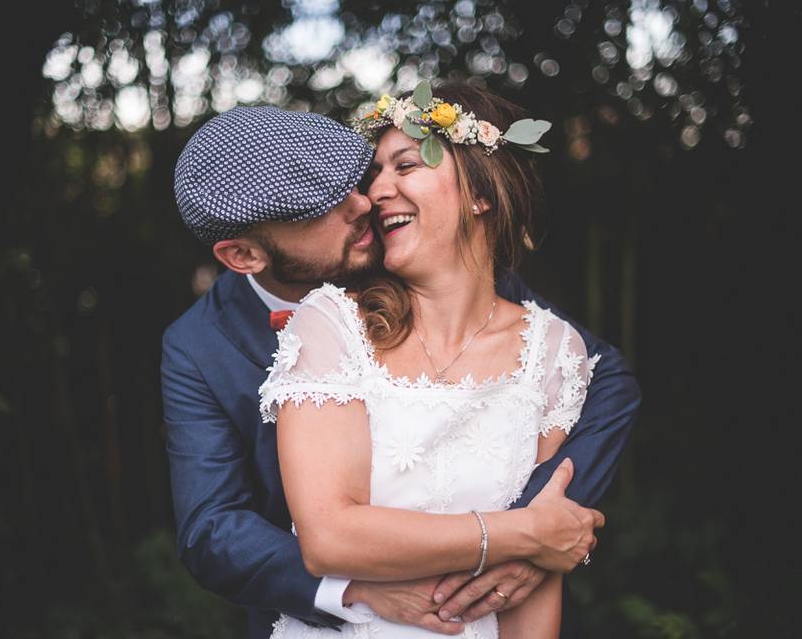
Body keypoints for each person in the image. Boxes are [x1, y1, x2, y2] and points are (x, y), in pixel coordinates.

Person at [163, 103, 640, 638]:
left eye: (352, 179)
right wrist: (354, 590)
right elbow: (211, 529)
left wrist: (533, 535)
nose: (364, 202)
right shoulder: (199, 347)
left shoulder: (425, 258)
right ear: (244, 255)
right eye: (317, 209)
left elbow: (601, 380)